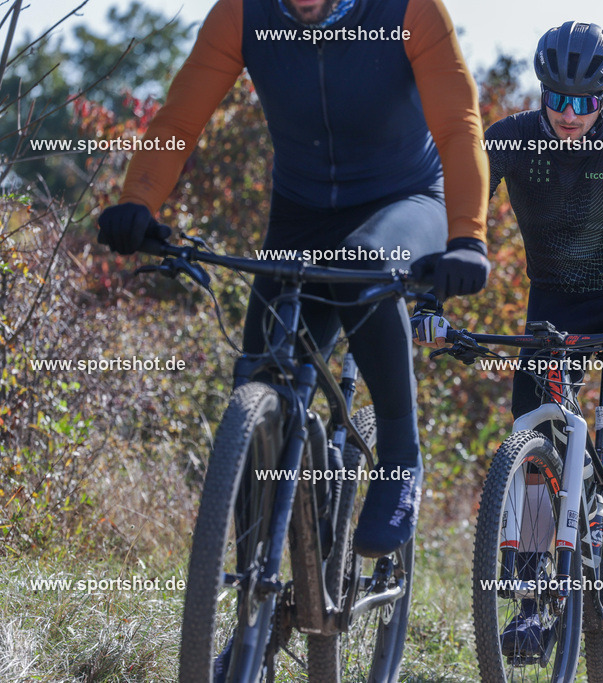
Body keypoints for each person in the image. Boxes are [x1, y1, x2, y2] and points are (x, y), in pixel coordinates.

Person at [96, 0, 490, 561]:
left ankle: (401, 457)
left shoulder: (410, 8)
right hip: (302, 214)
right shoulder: (241, 12)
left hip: (406, 199)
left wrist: (467, 238)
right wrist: (137, 202)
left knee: (361, 263)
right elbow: (179, 122)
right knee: (259, 383)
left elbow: (459, 126)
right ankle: (252, 622)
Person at [414, 20, 603, 654]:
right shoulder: (510, 142)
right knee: (534, 430)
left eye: (585, 102)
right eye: (557, 98)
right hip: (555, 297)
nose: (569, 114)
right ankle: (534, 596)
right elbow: (457, 219)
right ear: (540, 91)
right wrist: (428, 301)